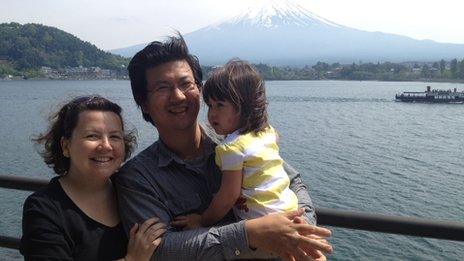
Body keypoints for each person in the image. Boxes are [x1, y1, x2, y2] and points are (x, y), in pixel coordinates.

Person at [113, 34, 333, 260]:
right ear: (143, 103)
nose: (178, 96)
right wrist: (250, 234)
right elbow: (161, 250)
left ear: (199, 90)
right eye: (162, 88)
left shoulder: (237, 139)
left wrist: (299, 230)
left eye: (186, 84)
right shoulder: (137, 179)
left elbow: (293, 182)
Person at [20, 95, 166, 261]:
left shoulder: (132, 188)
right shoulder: (44, 209)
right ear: (66, 146)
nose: (106, 145)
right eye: (92, 136)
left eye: (115, 137)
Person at [173, 59, 298, 229]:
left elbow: (228, 196)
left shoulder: (231, 149)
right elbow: (276, 138)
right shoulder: (267, 131)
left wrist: (202, 221)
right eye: (210, 105)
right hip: (290, 209)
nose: (212, 114)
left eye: (220, 105)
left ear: (244, 107)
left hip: (265, 223)